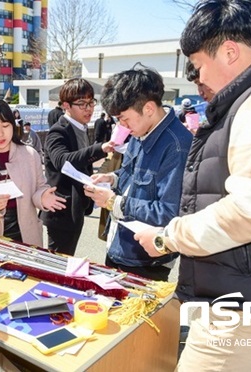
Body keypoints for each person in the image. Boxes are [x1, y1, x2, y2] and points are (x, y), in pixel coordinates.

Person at [134, 1, 251, 370]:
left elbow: (249, 211)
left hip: (245, 311)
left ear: (229, 51)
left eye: (198, 66)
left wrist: (169, 237)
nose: (199, 79)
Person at [84, 68, 192, 281]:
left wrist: (115, 202)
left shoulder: (177, 146)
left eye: (124, 119)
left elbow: (169, 212)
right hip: (120, 242)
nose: (122, 126)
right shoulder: (141, 129)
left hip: (146, 258)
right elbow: (131, 173)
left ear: (149, 108)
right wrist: (112, 178)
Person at [0, 99, 65, 246]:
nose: (0, 134)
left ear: (13, 125)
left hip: (26, 232)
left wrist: (43, 197)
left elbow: (39, 187)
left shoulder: (29, 154)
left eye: (5, 126)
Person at [40, 78, 113, 256]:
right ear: (66, 105)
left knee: (66, 258)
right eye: (82, 104)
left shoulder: (80, 126)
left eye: (91, 102)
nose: (88, 108)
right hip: (61, 209)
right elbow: (62, 161)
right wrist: (100, 149)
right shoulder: (59, 130)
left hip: (77, 207)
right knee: (58, 262)